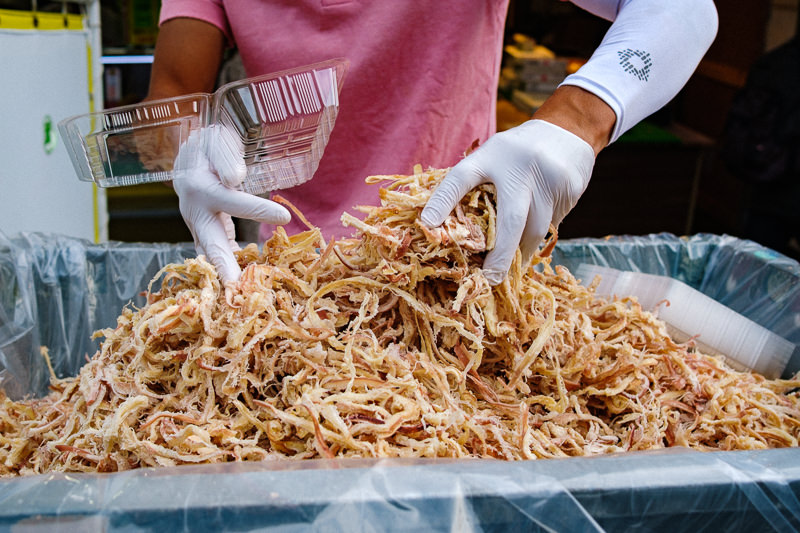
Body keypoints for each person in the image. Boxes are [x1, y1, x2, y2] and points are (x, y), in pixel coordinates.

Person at [149, 0, 718, 288]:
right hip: (291, 263)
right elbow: (170, 95)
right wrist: (192, 143)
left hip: (458, 253)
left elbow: (682, 8)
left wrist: (572, 119)